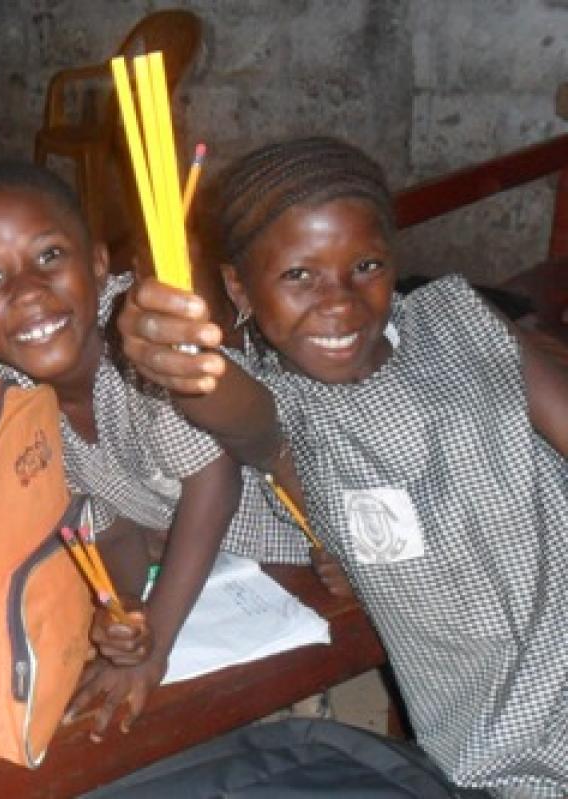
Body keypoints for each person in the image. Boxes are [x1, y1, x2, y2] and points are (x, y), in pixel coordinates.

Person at [116, 136, 568, 797]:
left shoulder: (459, 318)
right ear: (239, 285)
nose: (339, 301)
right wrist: (177, 362)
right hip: (502, 761)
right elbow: (237, 411)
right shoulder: (292, 418)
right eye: (299, 274)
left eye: (366, 265)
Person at [0, 163, 305, 740]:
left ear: (99, 265)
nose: (28, 292)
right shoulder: (17, 403)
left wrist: (158, 646)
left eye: (49, 257)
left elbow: (217, 482)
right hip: (218, 567)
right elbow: (113, 528)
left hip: (301, 527)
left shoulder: (142, 339)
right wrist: (125, 609)